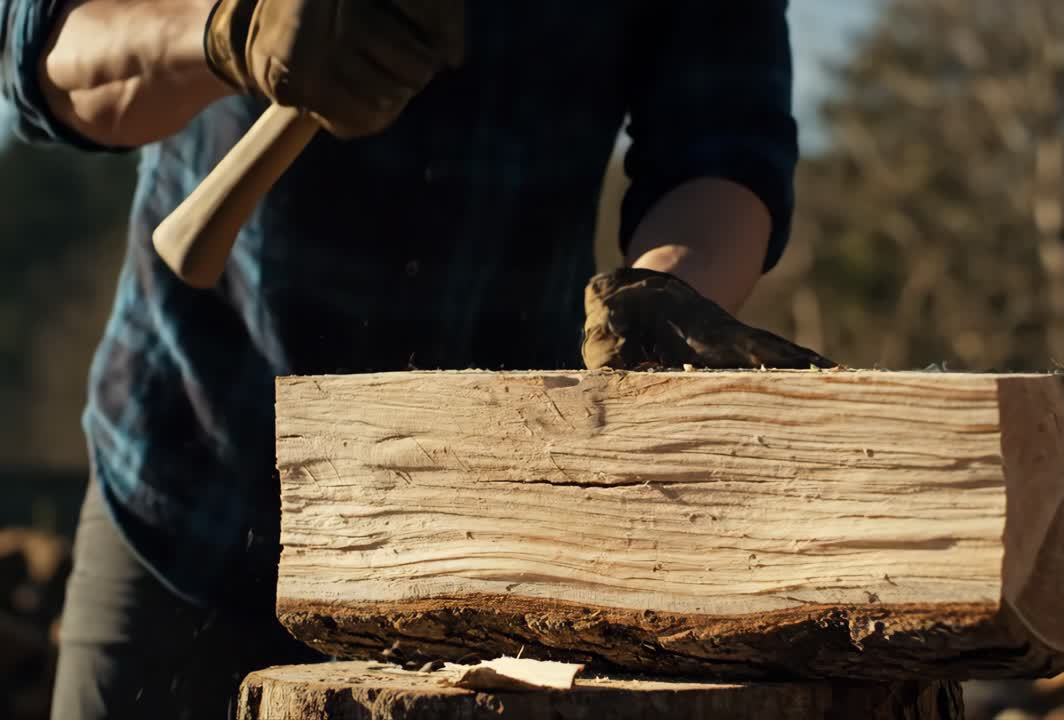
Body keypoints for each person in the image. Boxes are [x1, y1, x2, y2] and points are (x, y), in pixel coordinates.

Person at [1, 0, 829, 717]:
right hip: (192, 479)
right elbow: (45, 50)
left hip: (488, 539)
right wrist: (223, 32)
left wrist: (665, 304)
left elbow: (723, 145)